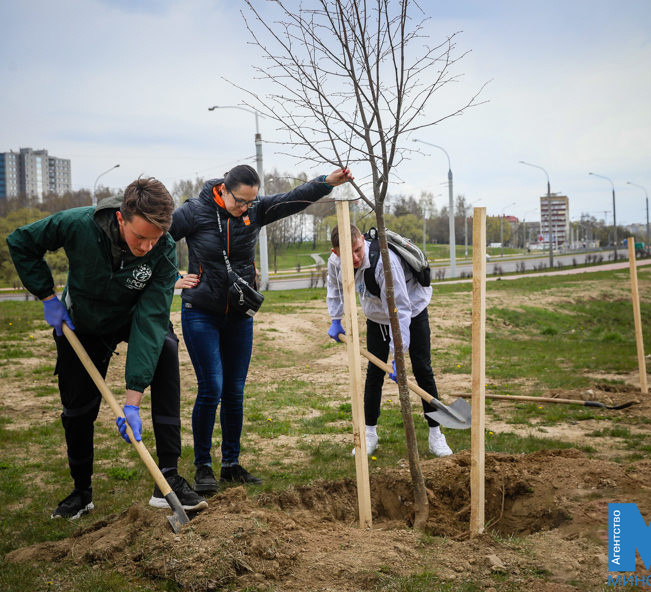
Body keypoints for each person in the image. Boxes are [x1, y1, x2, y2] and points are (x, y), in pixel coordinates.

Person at [6, 177, 207, 520]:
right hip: (83, 322)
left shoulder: (163, 248)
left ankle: (168, 480)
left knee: (166, 349)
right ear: (120, 218)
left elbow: (150, 319)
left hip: (131, 316)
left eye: (154, 239)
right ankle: (81, 492)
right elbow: (22, 241)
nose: (146, 246)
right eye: (139, 237)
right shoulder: (77, 224)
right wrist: (46, 296)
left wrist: (132, 402)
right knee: (78, 407)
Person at [169, 164, 354, 494]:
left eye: (250, 202)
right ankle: (203, 467)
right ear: (223, 190)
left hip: (239, 314)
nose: (245, 208)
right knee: (212, 386)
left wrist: (326, 182)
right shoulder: (193, 212)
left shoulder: (254, 209)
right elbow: (157, 237)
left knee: (235, 391)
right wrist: (171, 277)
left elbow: (293, 199)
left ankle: (231, 464)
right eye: (240, 201)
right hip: (201, 312)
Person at [325, 224, 453, 458]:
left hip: (412, 310)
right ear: (335, 253)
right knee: (374, 373)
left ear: (362, 241)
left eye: (357, 250)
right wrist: (336, 318)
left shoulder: (385, 262)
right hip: (376, 316)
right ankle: (369, 433)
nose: (354, 258)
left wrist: (398, 355)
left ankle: (436, 434)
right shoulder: (335, 261)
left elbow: (399, 310)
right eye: (346, 254)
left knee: (423, 369)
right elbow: (335, 288)